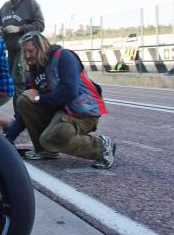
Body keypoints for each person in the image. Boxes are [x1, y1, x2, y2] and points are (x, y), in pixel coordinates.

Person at [16, 31, 115, 169]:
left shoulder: (64, 56)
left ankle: (101, 147)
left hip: (82, 113)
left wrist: (39, 98)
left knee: (50, 138)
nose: (26, 56)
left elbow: (69, 91)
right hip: (61, 111)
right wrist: (8, 138)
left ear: (42, 47)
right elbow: (27, 109)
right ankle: (45, 151)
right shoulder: (33, 70)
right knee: (24, 101)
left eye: (30, 51)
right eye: (24, 52)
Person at [0, 0, 45, 142]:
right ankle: (20, 117)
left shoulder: (30, 3)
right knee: (14, 84)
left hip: (24, 50)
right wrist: (1, 30)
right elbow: (0, 24)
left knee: (19, 84)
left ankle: (21, 120)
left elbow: (40, 25)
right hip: (9, 51)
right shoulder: (4, 7)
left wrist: (19, 29)